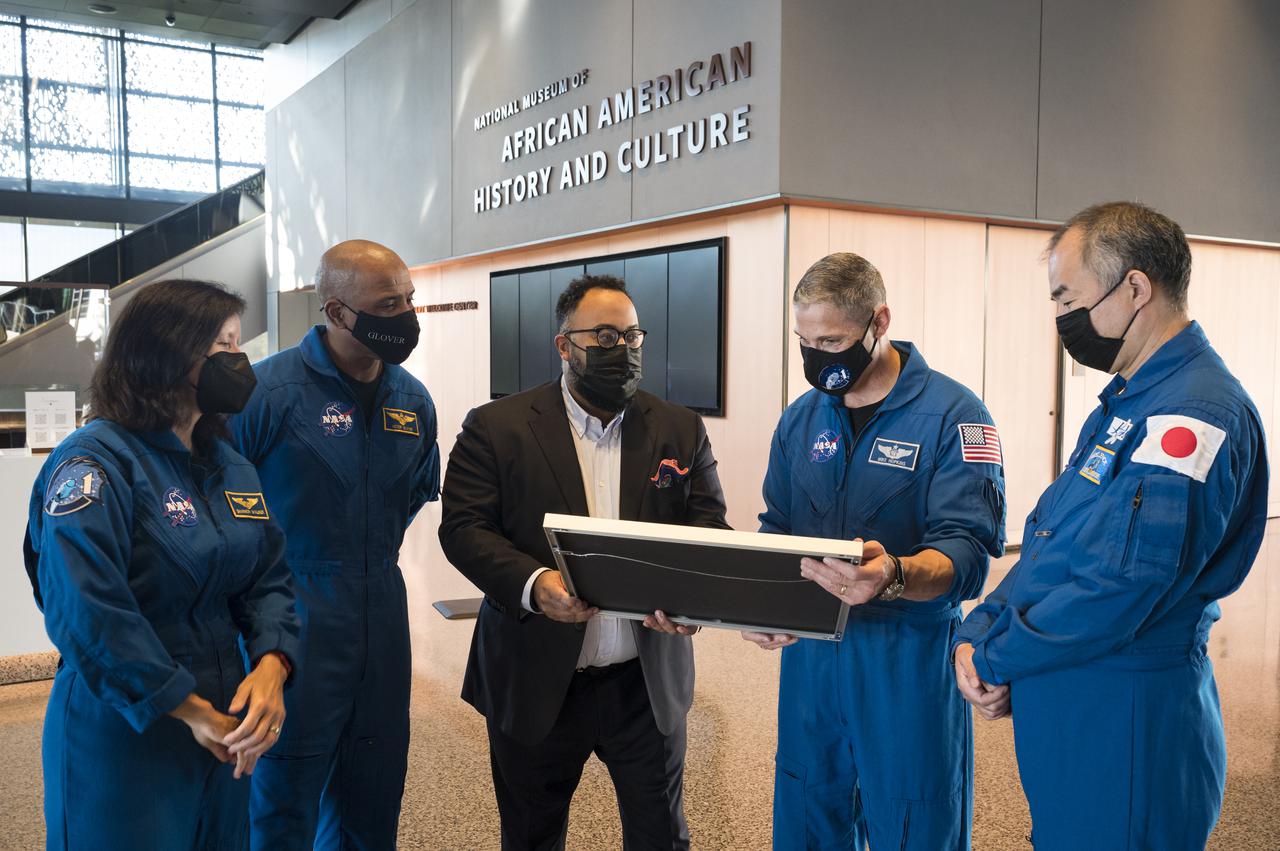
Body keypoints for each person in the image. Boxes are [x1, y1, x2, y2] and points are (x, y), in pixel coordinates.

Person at [953, 202, 1268, 850]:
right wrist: (980, 623)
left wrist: (994, 653)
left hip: (1127, 725)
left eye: (1068, 297)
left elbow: (1121, 587)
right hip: (1076, 706)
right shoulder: (1129, 404)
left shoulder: (1192, 415)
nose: (1062, 318)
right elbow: (1053, 541)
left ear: (1134, 287)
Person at [439, 274, 729, 850]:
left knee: (661, 837)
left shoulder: (679, 428)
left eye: (631, 336)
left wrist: (695, 602)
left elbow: (708, 530)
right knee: (531, 836)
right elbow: (464, 529)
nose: (620, 350)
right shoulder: (495, 427)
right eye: (602, 336)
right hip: (536, 675)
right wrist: (534, 583)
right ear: (563, 345)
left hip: (644, 681)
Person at [23, 279, 300, 850]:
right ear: (169, 353)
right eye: (223, 347)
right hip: (127, 725)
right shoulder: (94, 464)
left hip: (223, 727)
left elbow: (267, 577)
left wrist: (273, 664)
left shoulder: (229, 465)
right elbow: (87, 611)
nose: (239, 362)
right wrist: (187, 707)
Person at [744, 252, 1006, 850]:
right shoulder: (800, 420)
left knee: (915, 823)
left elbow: (968, 553)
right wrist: (760, 602)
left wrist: (893, 575)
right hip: (811, 662)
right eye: (804, 341)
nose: (817, 357)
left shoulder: (955, 417)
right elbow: (777, 526)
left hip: (906, 660)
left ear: (878, 322)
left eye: (832, 339)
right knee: (809, 816)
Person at [228, 240, 441, 850]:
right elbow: (224, 514)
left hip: (381, 612)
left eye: (408, 299)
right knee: (281, 798)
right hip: (292, 616)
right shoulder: (266, 395)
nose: (404, 315)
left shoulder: (413, 401)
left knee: (374, 792)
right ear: (337, 311)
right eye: (387, 302)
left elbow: (414, 496)